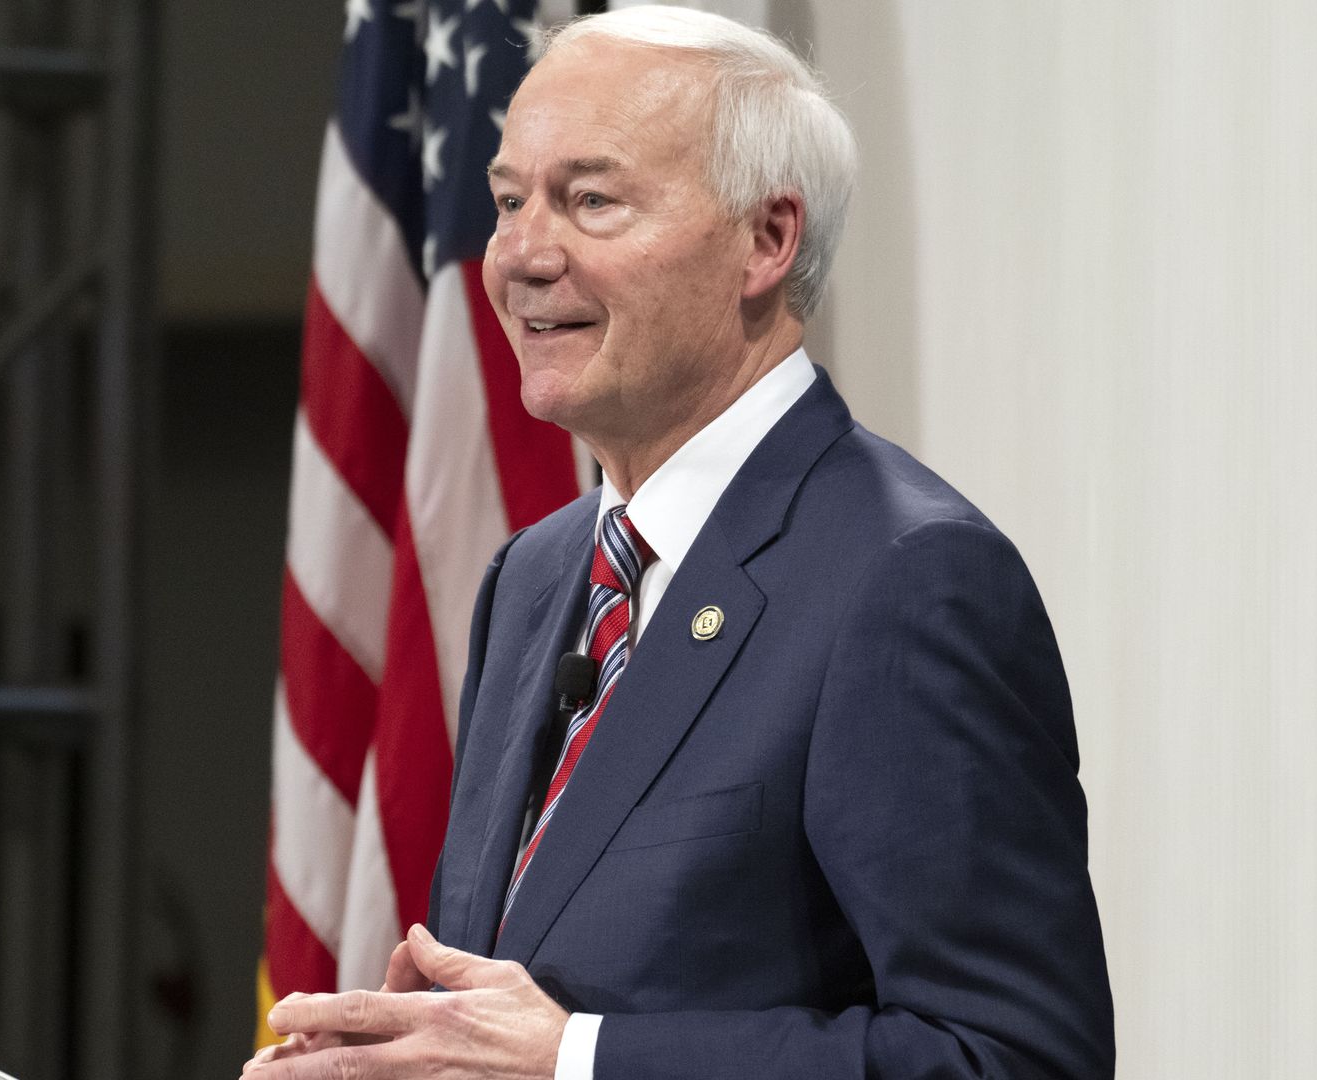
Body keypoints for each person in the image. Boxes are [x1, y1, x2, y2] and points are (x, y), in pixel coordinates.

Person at [244, 7, 1113, 1078]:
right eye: (510, 201)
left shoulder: (907, 580)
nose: (519, 256)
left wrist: (582, 1061)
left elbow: (1015, 1058)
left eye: (590, 201)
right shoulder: (536, 576)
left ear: (766, 240)